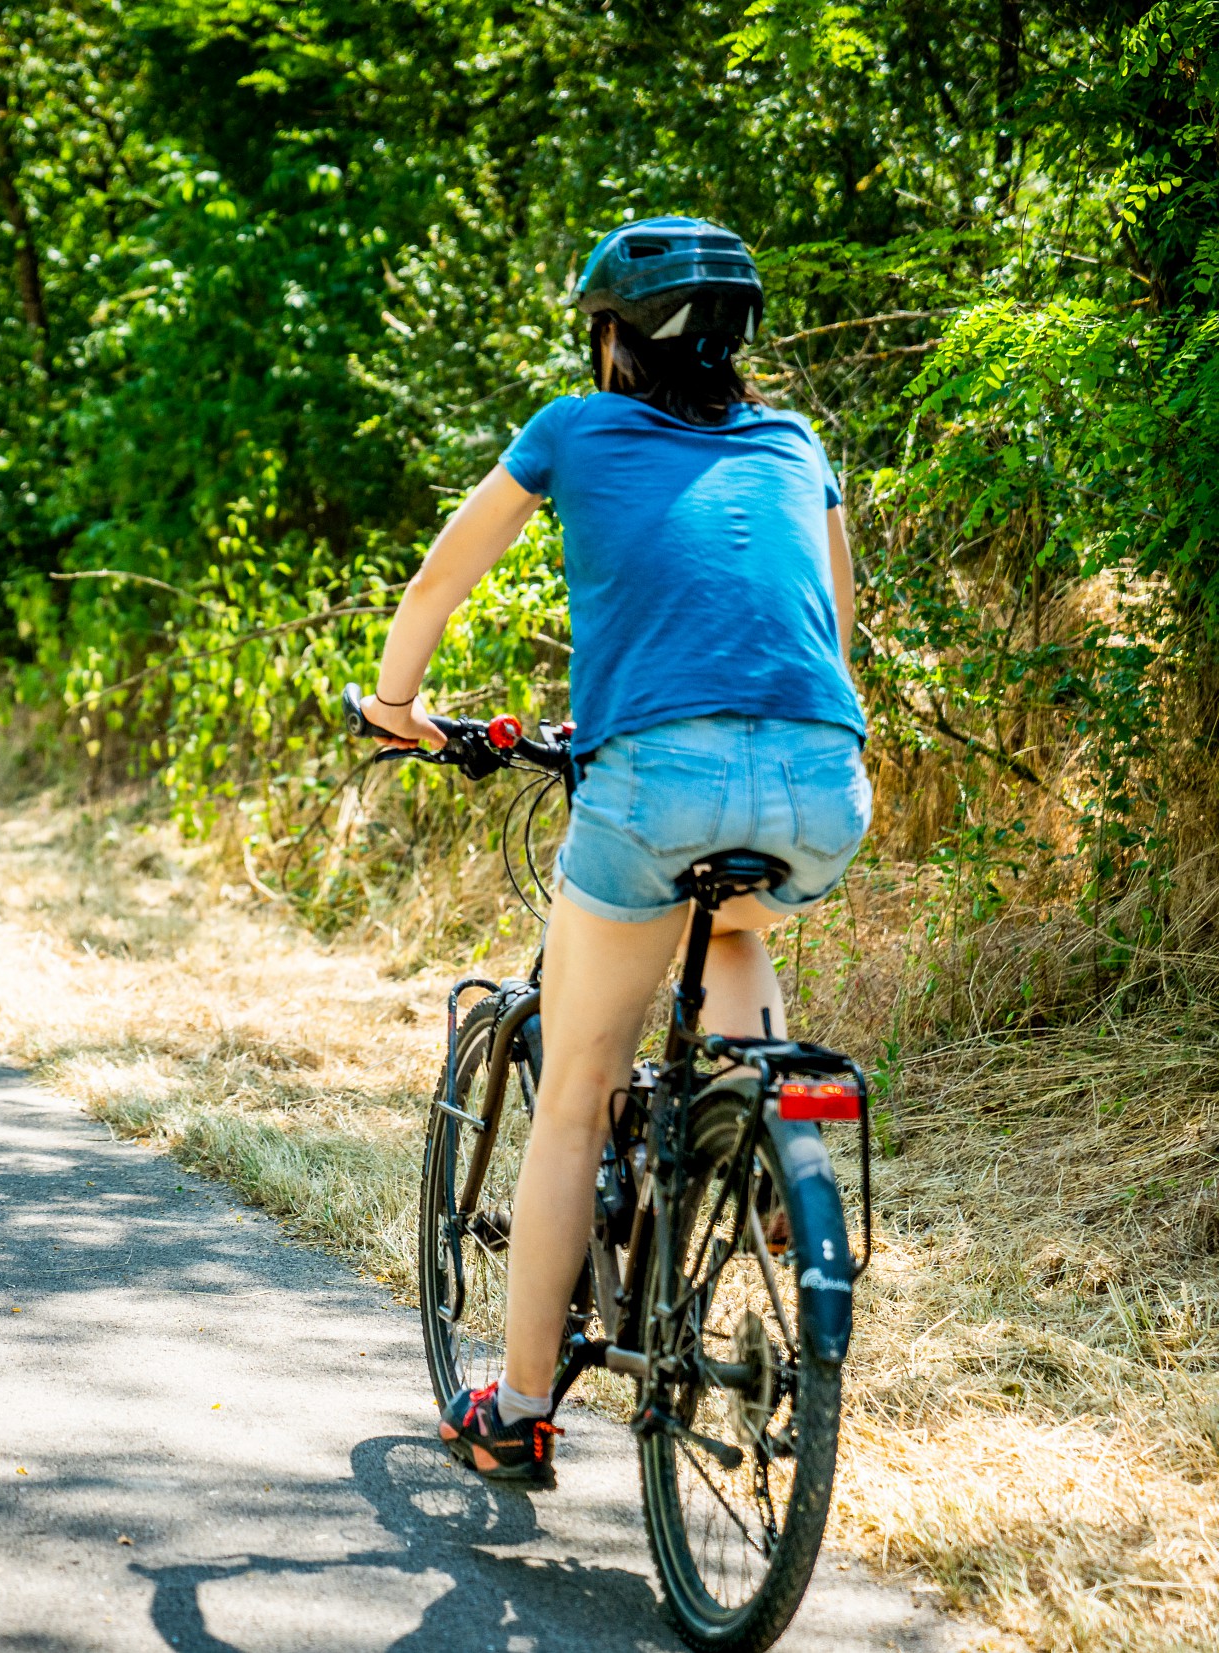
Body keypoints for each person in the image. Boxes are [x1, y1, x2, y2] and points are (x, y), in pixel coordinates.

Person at [353, 216, 872, 1487]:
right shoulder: (796, 445)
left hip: (652, 782)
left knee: (574, 1091)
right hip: (820, 775)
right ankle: (761, 1140)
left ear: (609, 336)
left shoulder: (571, 430)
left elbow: (437, 581)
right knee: (734, 915)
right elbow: (831, 627)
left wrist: (393, 705)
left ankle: (519, 1407)